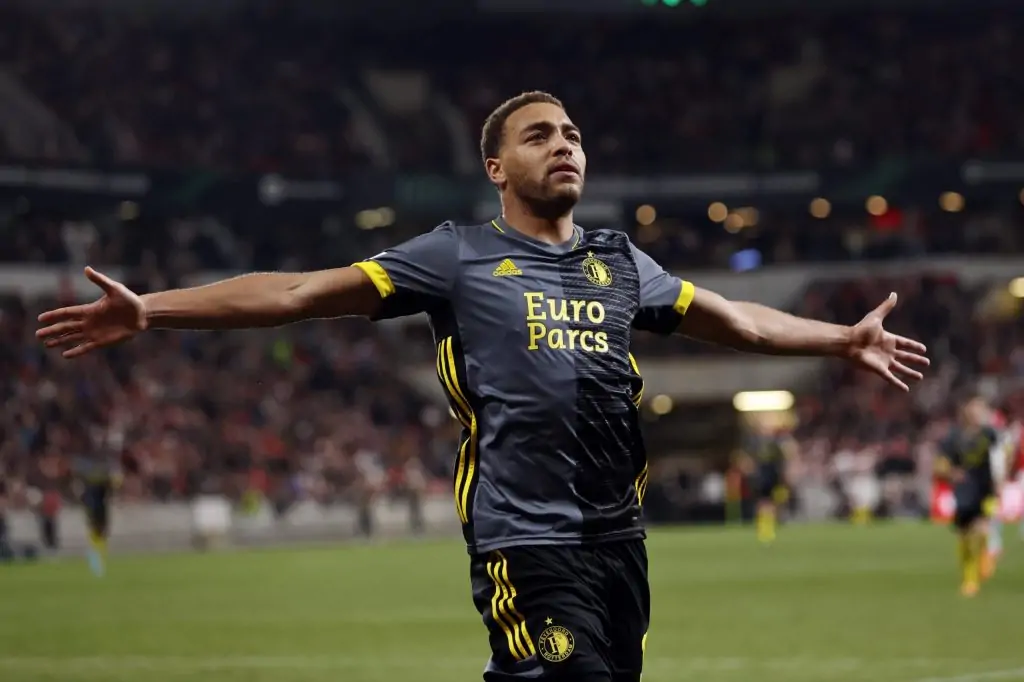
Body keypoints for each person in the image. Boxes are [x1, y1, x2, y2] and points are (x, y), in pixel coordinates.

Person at [36, 91, 929, 682]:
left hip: (620, 541)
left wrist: (841, 339)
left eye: (572, 134)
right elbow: (298, 293)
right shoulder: (456, 255)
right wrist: (153, 310)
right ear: (497, 169)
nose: (564, 144)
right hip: (525, 538)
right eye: (539, 135)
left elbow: (738, 321)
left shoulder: (619, 261)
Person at [937, 395, 1006, 597]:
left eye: (982, 409)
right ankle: (968, 575)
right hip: (964, 490)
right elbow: (941, 464)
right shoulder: (954, 437)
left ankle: (977, 571)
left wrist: (1000, 479)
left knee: (982, 529)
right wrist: (952, 473)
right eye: (975, 409)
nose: (978, 413)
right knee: (964, 536)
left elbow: (1002, 456)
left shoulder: (991, 434)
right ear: (967, 411)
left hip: (986, 488)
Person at [742, 418, 796, 544]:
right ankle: (765, 527)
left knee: (772, 501)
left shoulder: (771, 443)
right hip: (764, 476)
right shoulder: (758, 443)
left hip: (771, 475)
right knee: (765, 501)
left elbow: (783, 459)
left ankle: (769, 525)